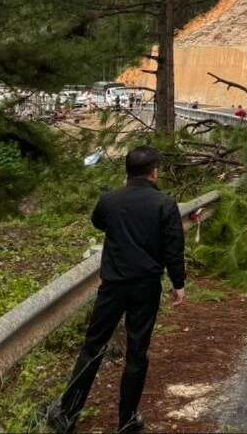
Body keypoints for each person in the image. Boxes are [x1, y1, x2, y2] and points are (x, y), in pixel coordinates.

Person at [48, 146, 186, 434]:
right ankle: (127, 420)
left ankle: (68, 414)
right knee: (137, 351)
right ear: (154, 172)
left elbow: (98, 222)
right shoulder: (165, 203)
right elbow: (174, 248)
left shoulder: (109, 201)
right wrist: (178, 283)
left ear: (127, 171)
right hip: (146, 287)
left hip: (113, 286)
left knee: (93, 346)